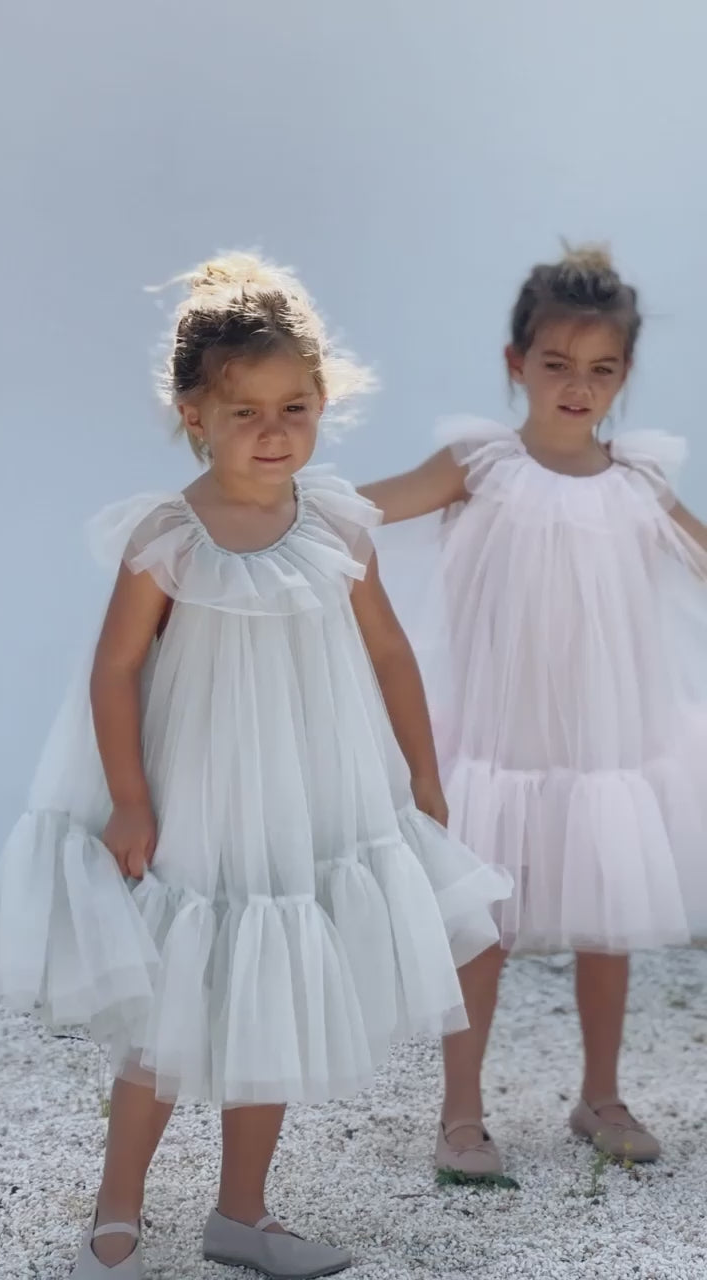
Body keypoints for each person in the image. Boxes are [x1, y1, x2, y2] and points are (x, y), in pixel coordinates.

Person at [0, 253, 510, 1279]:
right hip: (199, 794)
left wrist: (423, 772)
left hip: (306, 792)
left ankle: (242, 1212)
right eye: (246, 414)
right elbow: (116, 667)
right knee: (172, 1001)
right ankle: (118, 1207)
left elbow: (389, 652)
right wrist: (129, 800)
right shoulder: (169, 534)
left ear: (323, 405)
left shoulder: (338, 522)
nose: (274, 433)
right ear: (194, 417)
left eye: (295, 409)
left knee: (275, 986)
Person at [361, 245, 707, 1179]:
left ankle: (601, 1095)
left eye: (601, 369)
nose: (577, 386)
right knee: (486, 928)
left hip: (607, 744)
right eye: (556, 364)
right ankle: (461, 1112)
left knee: (607, 919)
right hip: (501, 741)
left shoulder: (639, 481)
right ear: (516, 363)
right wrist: (266, 503)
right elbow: (370, 510)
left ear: (625, 375)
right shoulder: (481, 464)